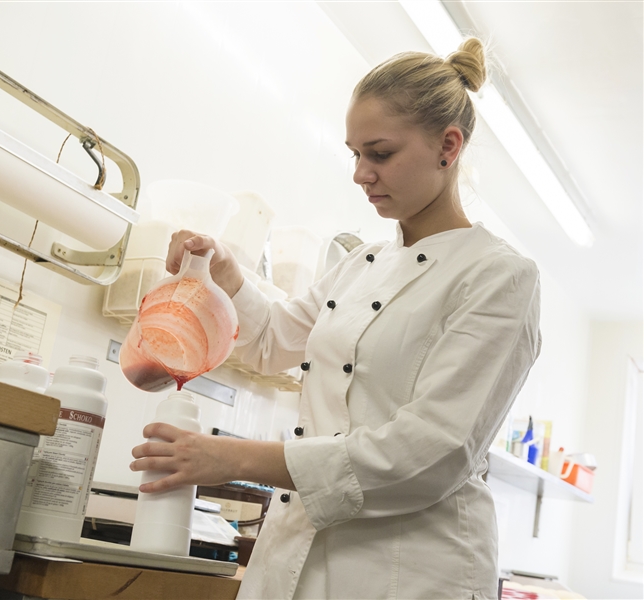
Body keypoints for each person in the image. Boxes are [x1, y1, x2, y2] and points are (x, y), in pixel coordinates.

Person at [130, 37, 541, 600]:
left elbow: (431, 452)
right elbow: (272, 342)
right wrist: (226, 271)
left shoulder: (498, 276)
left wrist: (232, 458)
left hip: (405, 570)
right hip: (296, 557)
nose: (360, 174)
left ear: (449, 145)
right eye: (354, 154)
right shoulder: (360, 264)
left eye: (380, 153)